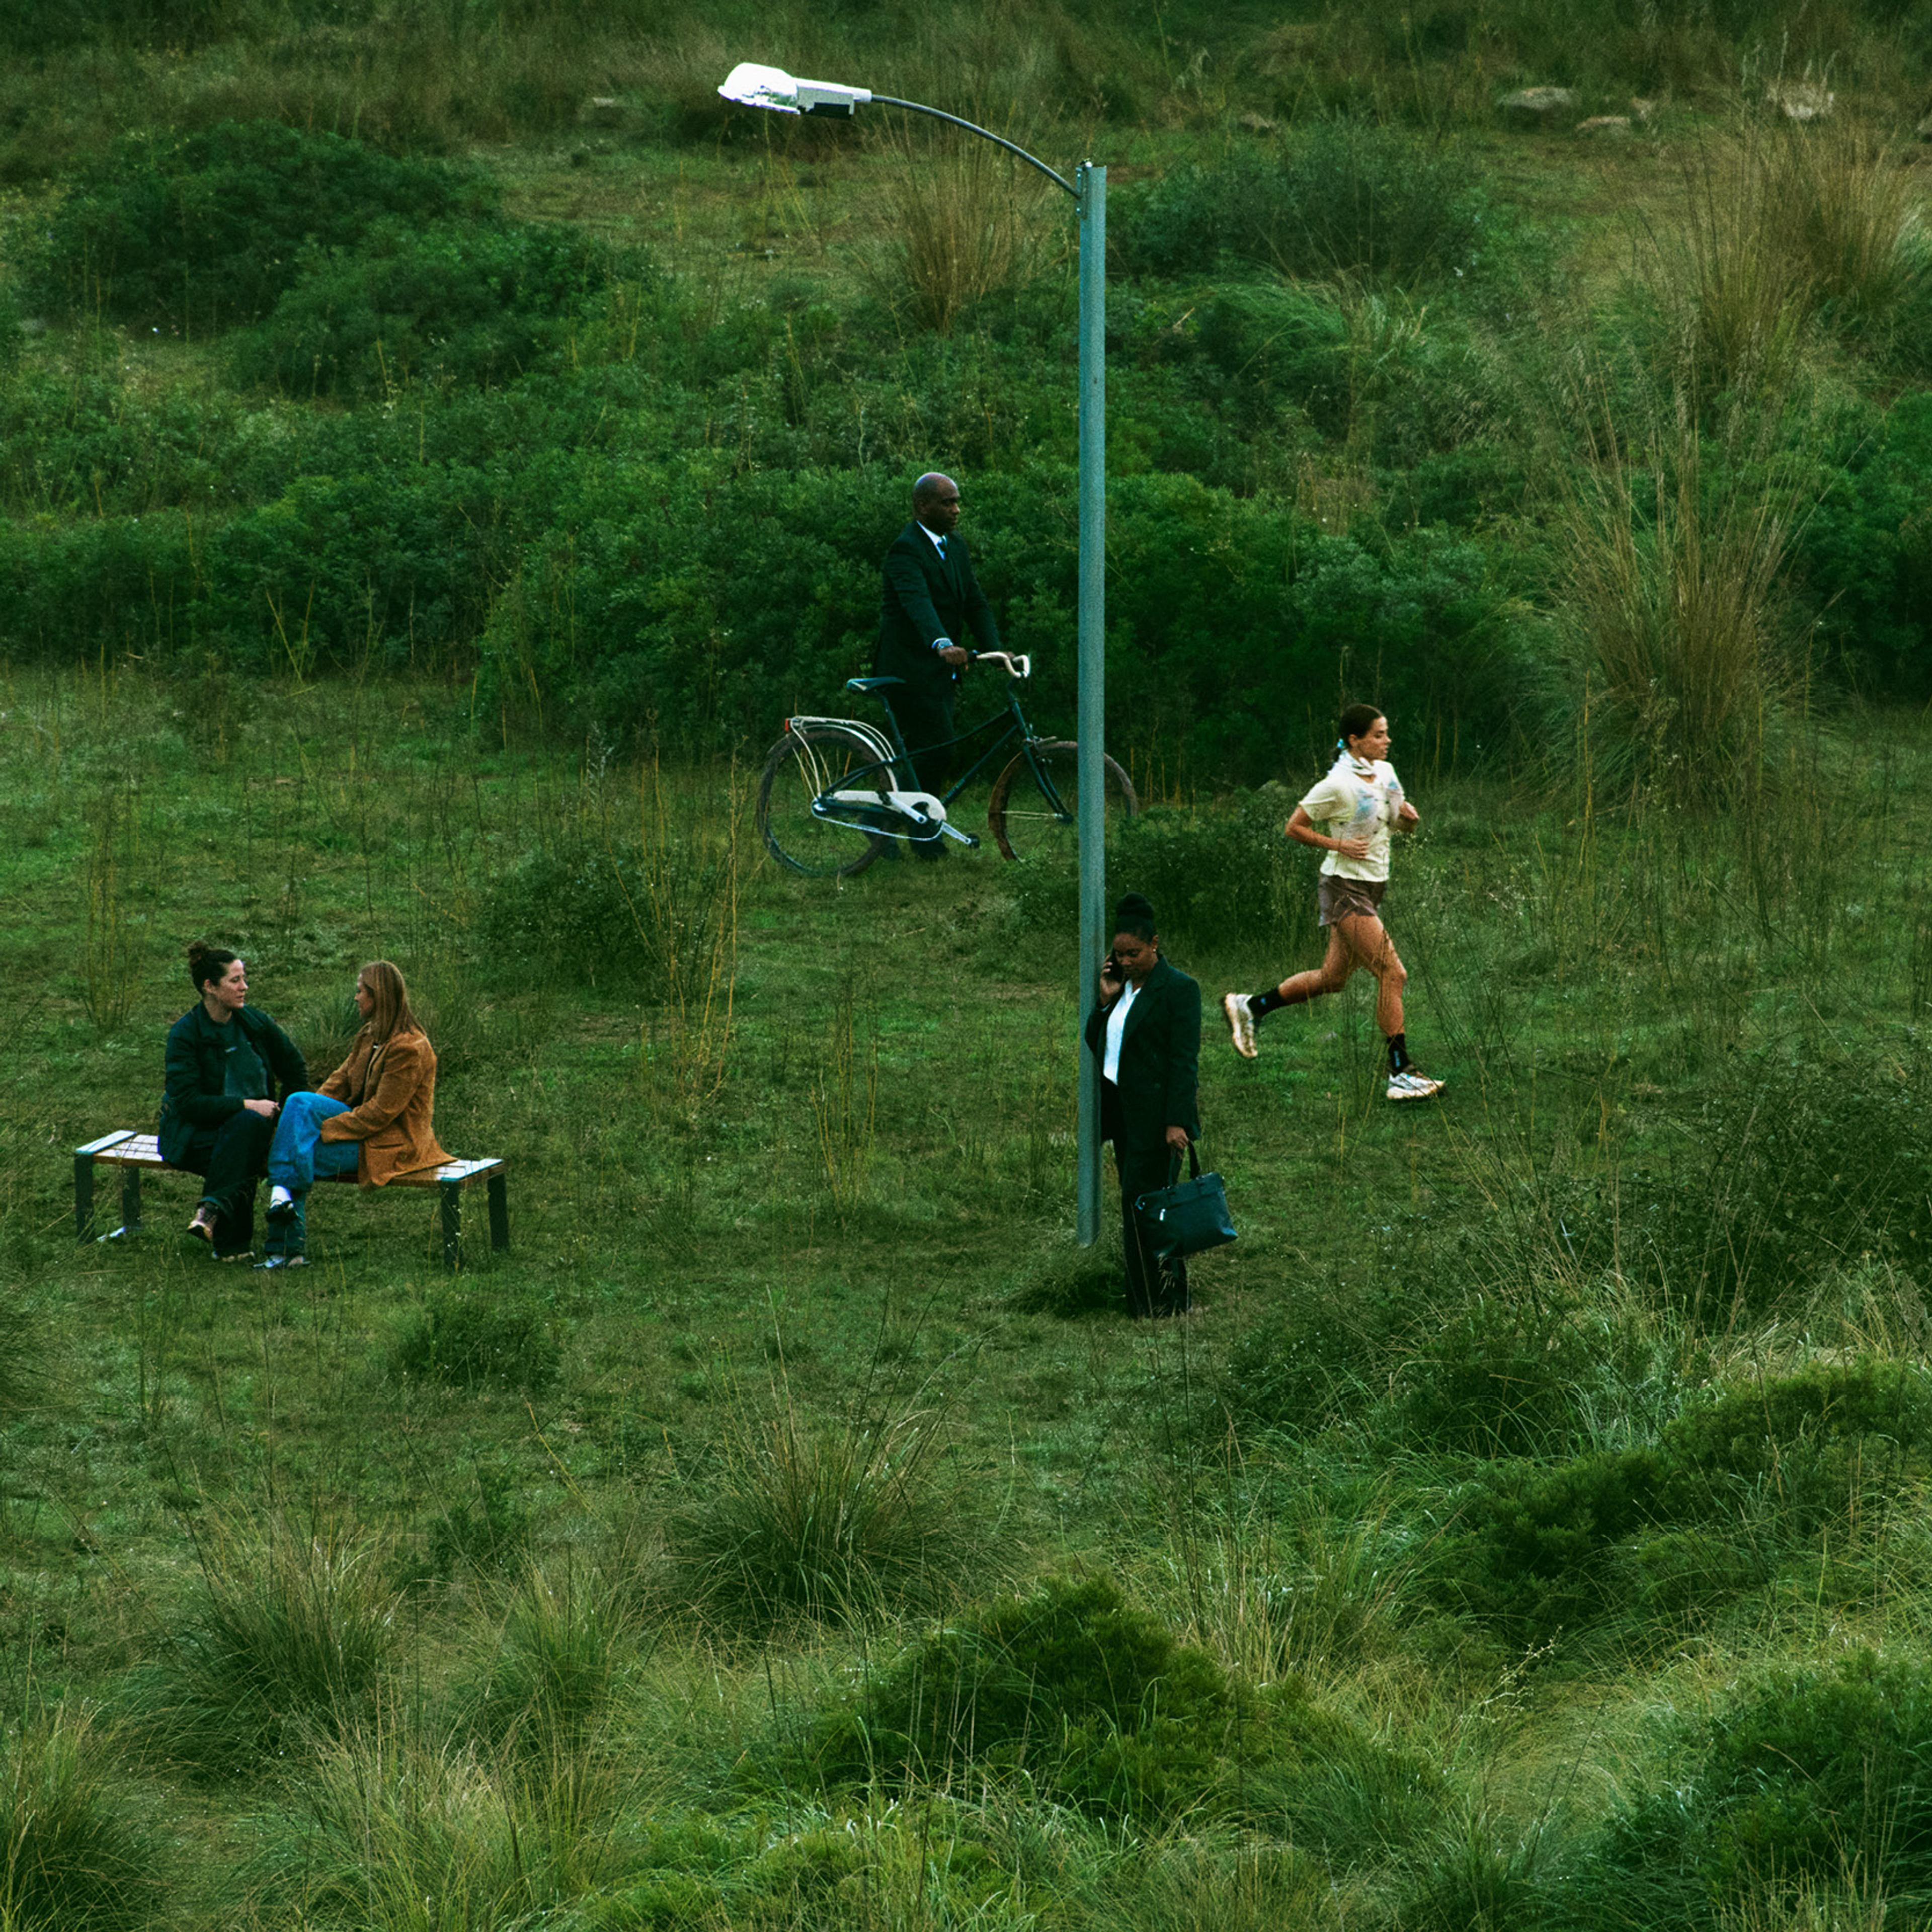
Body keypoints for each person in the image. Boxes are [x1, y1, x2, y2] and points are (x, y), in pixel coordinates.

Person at [1220, 703, 1445, 1103]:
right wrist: (1338, 845)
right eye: (1378, 735)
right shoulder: (1337, 784)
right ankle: (1400, 1072)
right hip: (1344, 888)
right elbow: (1294, 828)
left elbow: (1396, 824)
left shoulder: (1386, 773)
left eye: (1386, 733)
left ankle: (1252, 1006)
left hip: (1373, 886)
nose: (1387, 740)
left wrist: (1410, 821)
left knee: (1333, 979)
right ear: (1355, 740)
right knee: (1393, 974)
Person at [256, 960, 448, 1269]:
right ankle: (286, 1244)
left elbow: (380, 1114)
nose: (356, 998)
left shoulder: (410, 1049)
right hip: (362, 1133)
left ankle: (284, 1241)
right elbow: (339, 1082)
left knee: (296, 1140)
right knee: (297, 1142)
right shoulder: (370, 1036)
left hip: (393, 1144)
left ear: (378, 996)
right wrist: (304, 1125)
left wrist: (322, 1128)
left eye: (361, 992)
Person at [1084, 894, 1201, 1318]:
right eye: (1119, 954)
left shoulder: (1179, 990)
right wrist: (1104, 1003)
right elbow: (1096, 1042)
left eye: (1133, 953)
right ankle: (1147, 1300)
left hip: (1157, 1122)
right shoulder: (1120, 990)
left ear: (1154, 943)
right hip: (1124, 1116)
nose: (1126, 961)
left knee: (1152, 1210)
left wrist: (1176, 1122)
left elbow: (1184, 1062)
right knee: (1137, 1207)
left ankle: (1165, 1299)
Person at [875, 469, 1003, 857]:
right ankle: (905, 827)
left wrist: (997, 650)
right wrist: (943, 643)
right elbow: (917, 602)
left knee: (932, 749)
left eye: (957, 502)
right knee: (937, 749)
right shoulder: (905, 550)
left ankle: (900, 826)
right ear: (923, 506)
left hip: (939, 670)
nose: (956, 510)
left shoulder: (955, 545)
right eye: (947, 503)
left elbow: (975, 601)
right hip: (907, 669)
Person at [158, 944, 308, 1260]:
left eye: (244, 979)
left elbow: (295, 1070)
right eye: (235, 980)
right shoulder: (186, 1034)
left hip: (251, 1131)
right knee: (245, 1136)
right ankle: (230, 1241)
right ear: (210, 987)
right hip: (194, 1135)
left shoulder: (255, 1023)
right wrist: (245, 1106)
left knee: (246, 1134)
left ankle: (215, 1217)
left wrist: (282, 1121)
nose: (244, 987)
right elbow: (188, 1103)